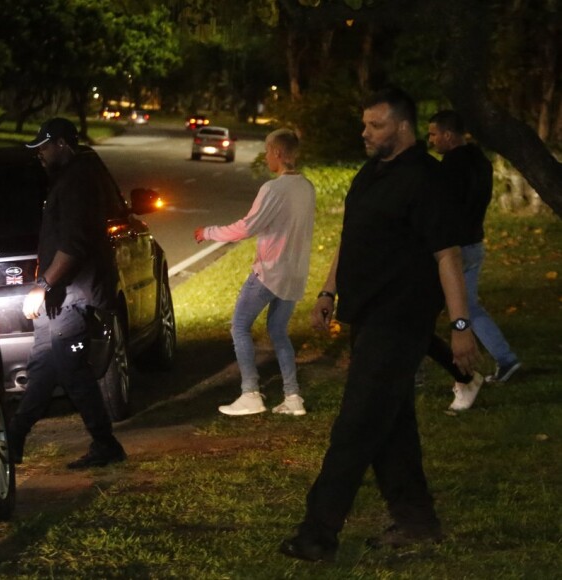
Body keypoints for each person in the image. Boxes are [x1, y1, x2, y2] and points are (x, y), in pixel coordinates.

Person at [280, 88, 478, 562]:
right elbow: (353, 239)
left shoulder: (427, 181)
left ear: (403, 128)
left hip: (401, 319)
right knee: (392, 424)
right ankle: (417, 521)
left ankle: (318, 533)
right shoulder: (371, 173)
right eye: (365, 124)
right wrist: (329, 290)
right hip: (366, 316)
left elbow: (447, 255)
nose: (365, 133)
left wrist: (461, 324)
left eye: (376, 126)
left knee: (357, 425)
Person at [9, 118, 126, 470]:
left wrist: (42, 286)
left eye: (43, 147)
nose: (40, 154)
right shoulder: (68, 179)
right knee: (44, 366)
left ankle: (106, 444)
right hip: (60, 296)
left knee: (71, 369)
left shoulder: (78, 181)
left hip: (73, 294)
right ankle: (14, 438)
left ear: (61, 144)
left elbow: (74, 245)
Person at [194, 128, 315, 417]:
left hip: (270, 272)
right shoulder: (307, 187)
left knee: (239, 327)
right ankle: (293, 397)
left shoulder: (273, 190)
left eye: (266, 150)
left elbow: (247, 227)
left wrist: (208, 232)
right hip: (295, 274)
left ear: (277, 153)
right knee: (278, 331)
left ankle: (250, 393)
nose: (265, 156)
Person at [427, 110, 521, 408]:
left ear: (448, 135)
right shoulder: (480, 160)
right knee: (469, 305)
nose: (431, 140)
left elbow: (443, 207)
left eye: (433, 134)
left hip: (453, 249)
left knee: (423, 306)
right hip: (475, 241)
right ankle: (506, 358)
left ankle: (418, 369)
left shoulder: (451, 166)